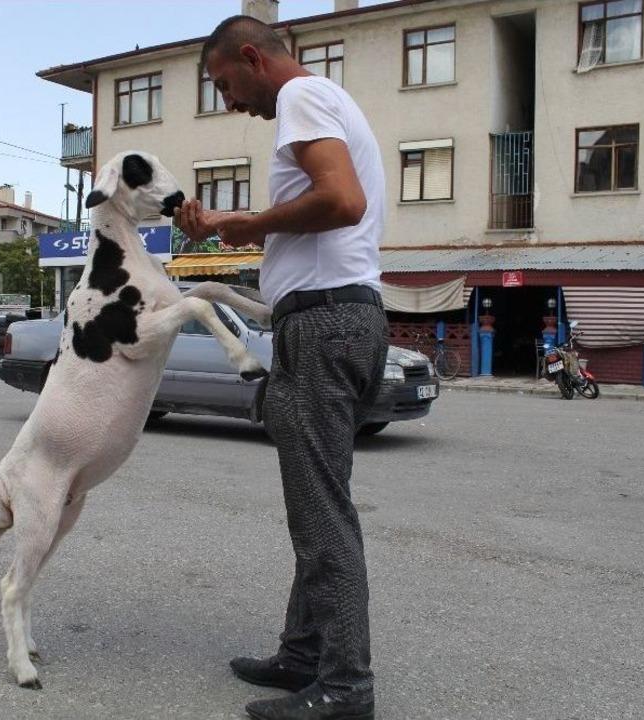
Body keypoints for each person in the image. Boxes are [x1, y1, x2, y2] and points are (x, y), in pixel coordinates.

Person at [175, 15, 388, 720]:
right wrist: (231, 228)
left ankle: (346, 687)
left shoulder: (301, 97)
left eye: (225, 84)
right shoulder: (325, 102)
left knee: (322, 515)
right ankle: (302, 654)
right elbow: (325, 208)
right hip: (335, 321)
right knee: (315, 505)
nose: (230, 100)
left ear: (249, 57)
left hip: (326, 325)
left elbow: (342, 201)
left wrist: (251, 223)